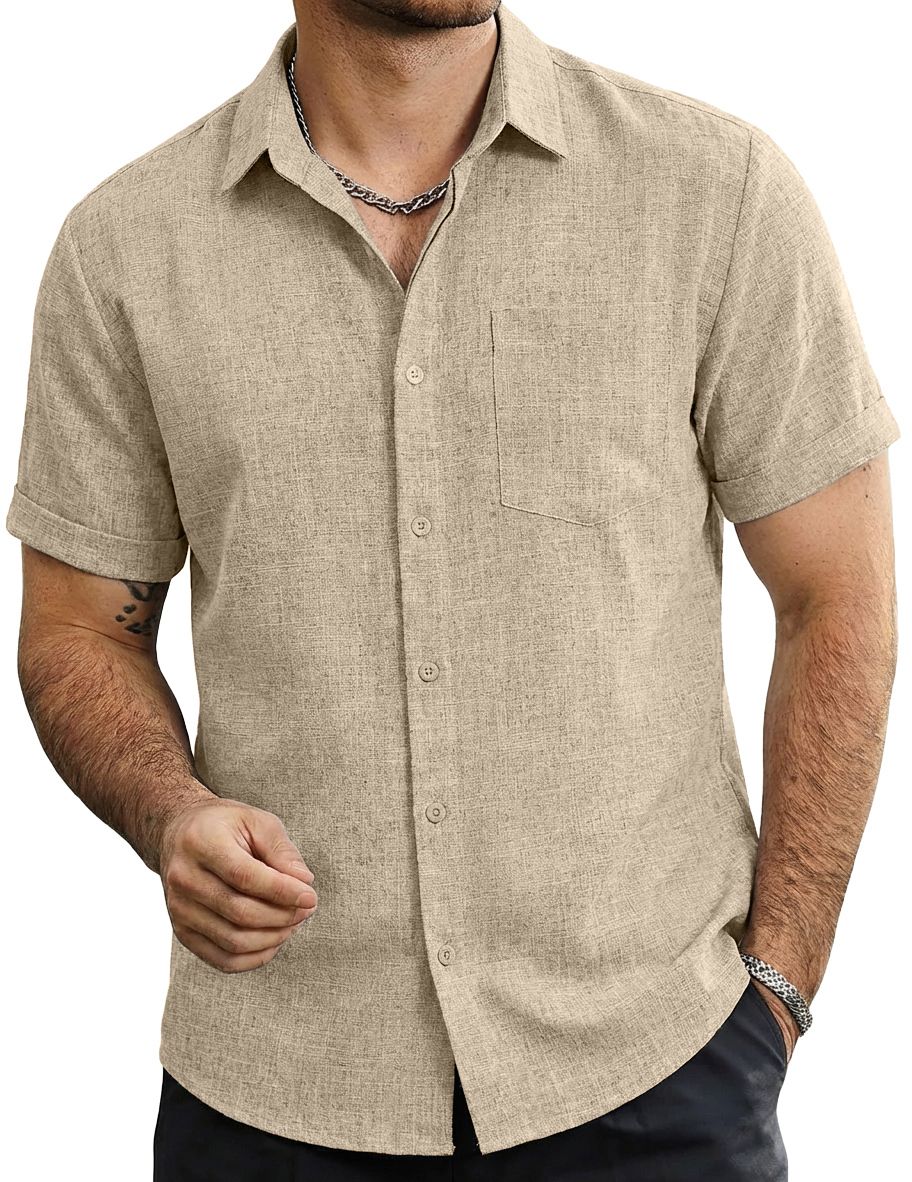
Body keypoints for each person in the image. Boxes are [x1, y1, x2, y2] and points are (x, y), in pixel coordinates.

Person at [6, 2, 900, 1179]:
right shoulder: (126, 249)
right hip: (277, 1090)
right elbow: (78, 629)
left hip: (657, 1072)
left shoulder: (714, 193)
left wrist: (778, 986)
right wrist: (166, 809)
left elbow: (838, 597)